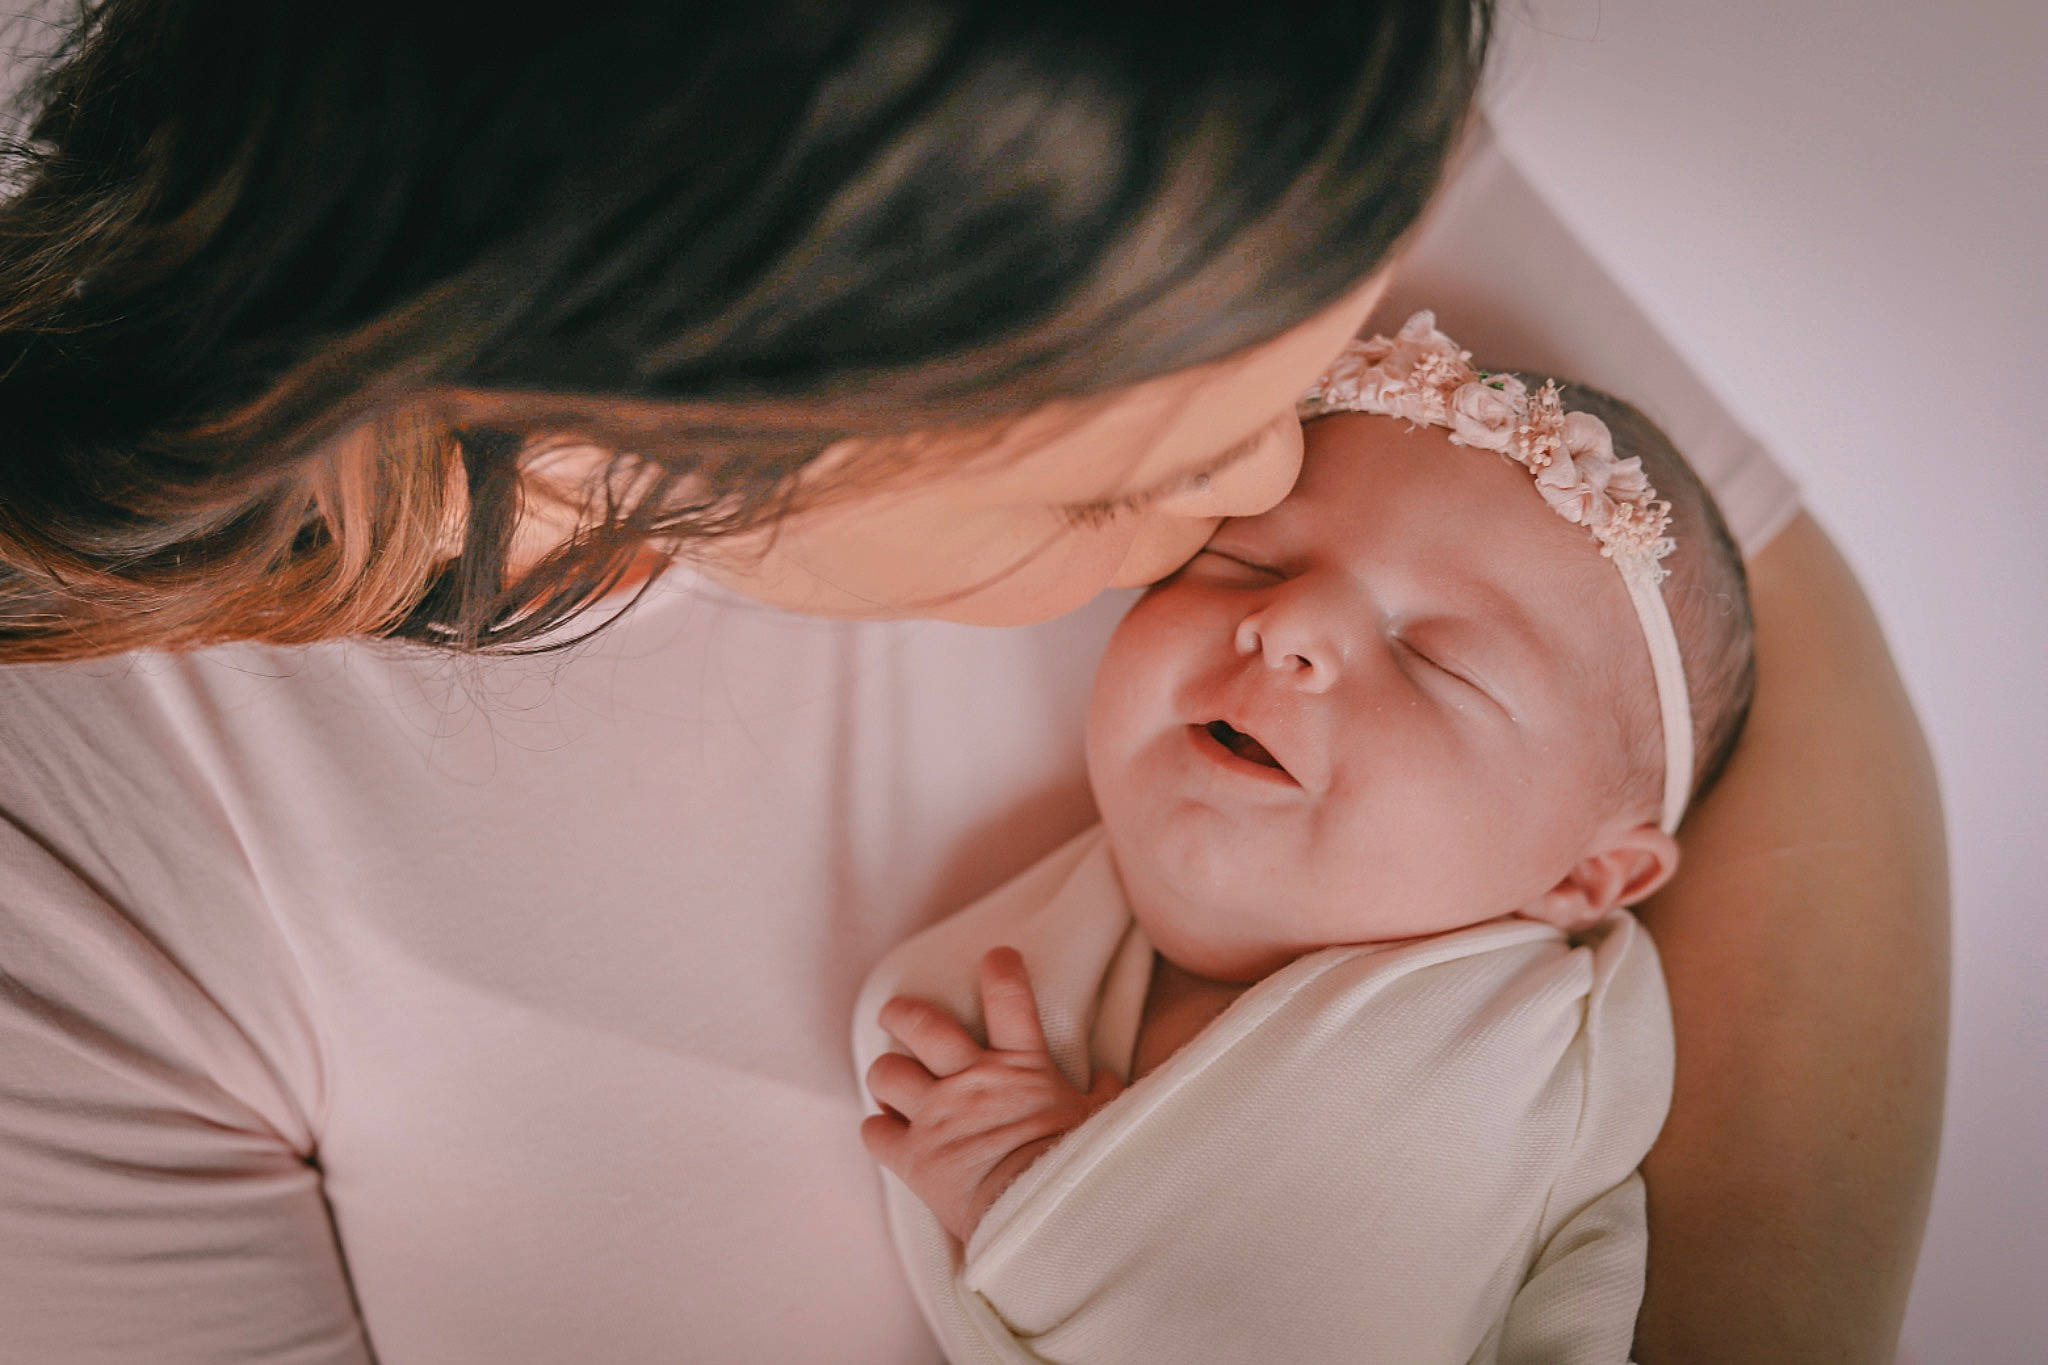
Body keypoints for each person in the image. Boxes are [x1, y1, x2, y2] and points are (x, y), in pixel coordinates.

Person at [0, 4, 1944, 1362]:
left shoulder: (1180, 78)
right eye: (1154, 487)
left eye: (1313, 368)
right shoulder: (84, 861)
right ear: (667, 399)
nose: (1280, 479)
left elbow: (1747, 650)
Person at [853, 314, 1753, 1361]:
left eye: (1438, 662)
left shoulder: (1517, 1048)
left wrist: (1031, 1195)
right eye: (1244, 563)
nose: (1285, 626)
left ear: (1590, 873)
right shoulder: (1035, 961)